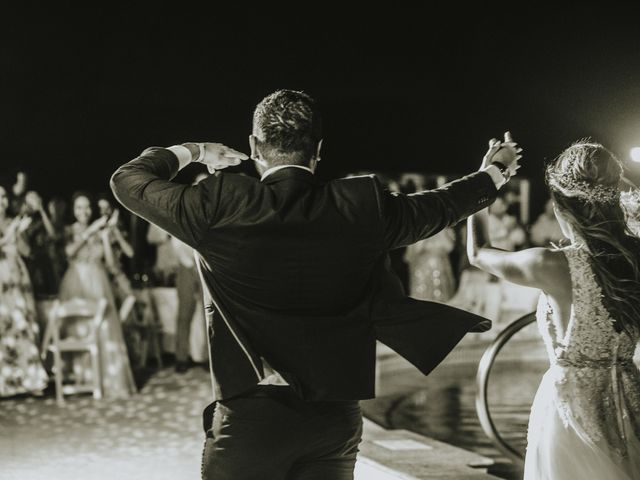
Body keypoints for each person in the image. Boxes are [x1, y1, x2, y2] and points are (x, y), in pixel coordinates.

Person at [111, 89, 519, 480]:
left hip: (250, 421)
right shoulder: (362, 207)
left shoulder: (219, 203)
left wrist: (197, 150)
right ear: (318, 149)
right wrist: (495, 172)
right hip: (333, 423)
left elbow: (128, 180)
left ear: (254, 145)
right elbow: (444, 205)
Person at [467, 139, 640, 479]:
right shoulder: (635, 257)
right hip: (631, 401)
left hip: (570, 410)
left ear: (562, 205)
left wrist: (487, 177)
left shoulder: (550, 264)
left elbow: (478, 252)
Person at [58, 192, 136, 399]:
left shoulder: (100, 230)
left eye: (86, 207)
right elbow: (69, 252)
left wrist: (105, 238)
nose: (83, 212)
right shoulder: (70, 230)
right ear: (73, 211)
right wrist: (90, 231)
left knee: (104, 327)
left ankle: (105, 379)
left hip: (99, 278)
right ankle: (82, 377)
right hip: (77, 280)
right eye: (79, 208)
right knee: (79, 327)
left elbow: (110, 262)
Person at [0, 185, 49, 397]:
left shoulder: (13, 222)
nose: (1, 201)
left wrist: (20, 234)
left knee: (22, 325)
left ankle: (30, 380)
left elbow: (27, 252)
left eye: (3, 196)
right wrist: (12, 233)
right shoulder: (12, 226)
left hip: (17, 278)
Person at [404, 227, 456, 302]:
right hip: (423, 268)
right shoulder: (418, 230)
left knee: (443, 292)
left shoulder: (445, 230)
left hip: (441, 266)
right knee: (423, 293)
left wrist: (440, 230)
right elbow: (415, 250)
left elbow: (450, 246)